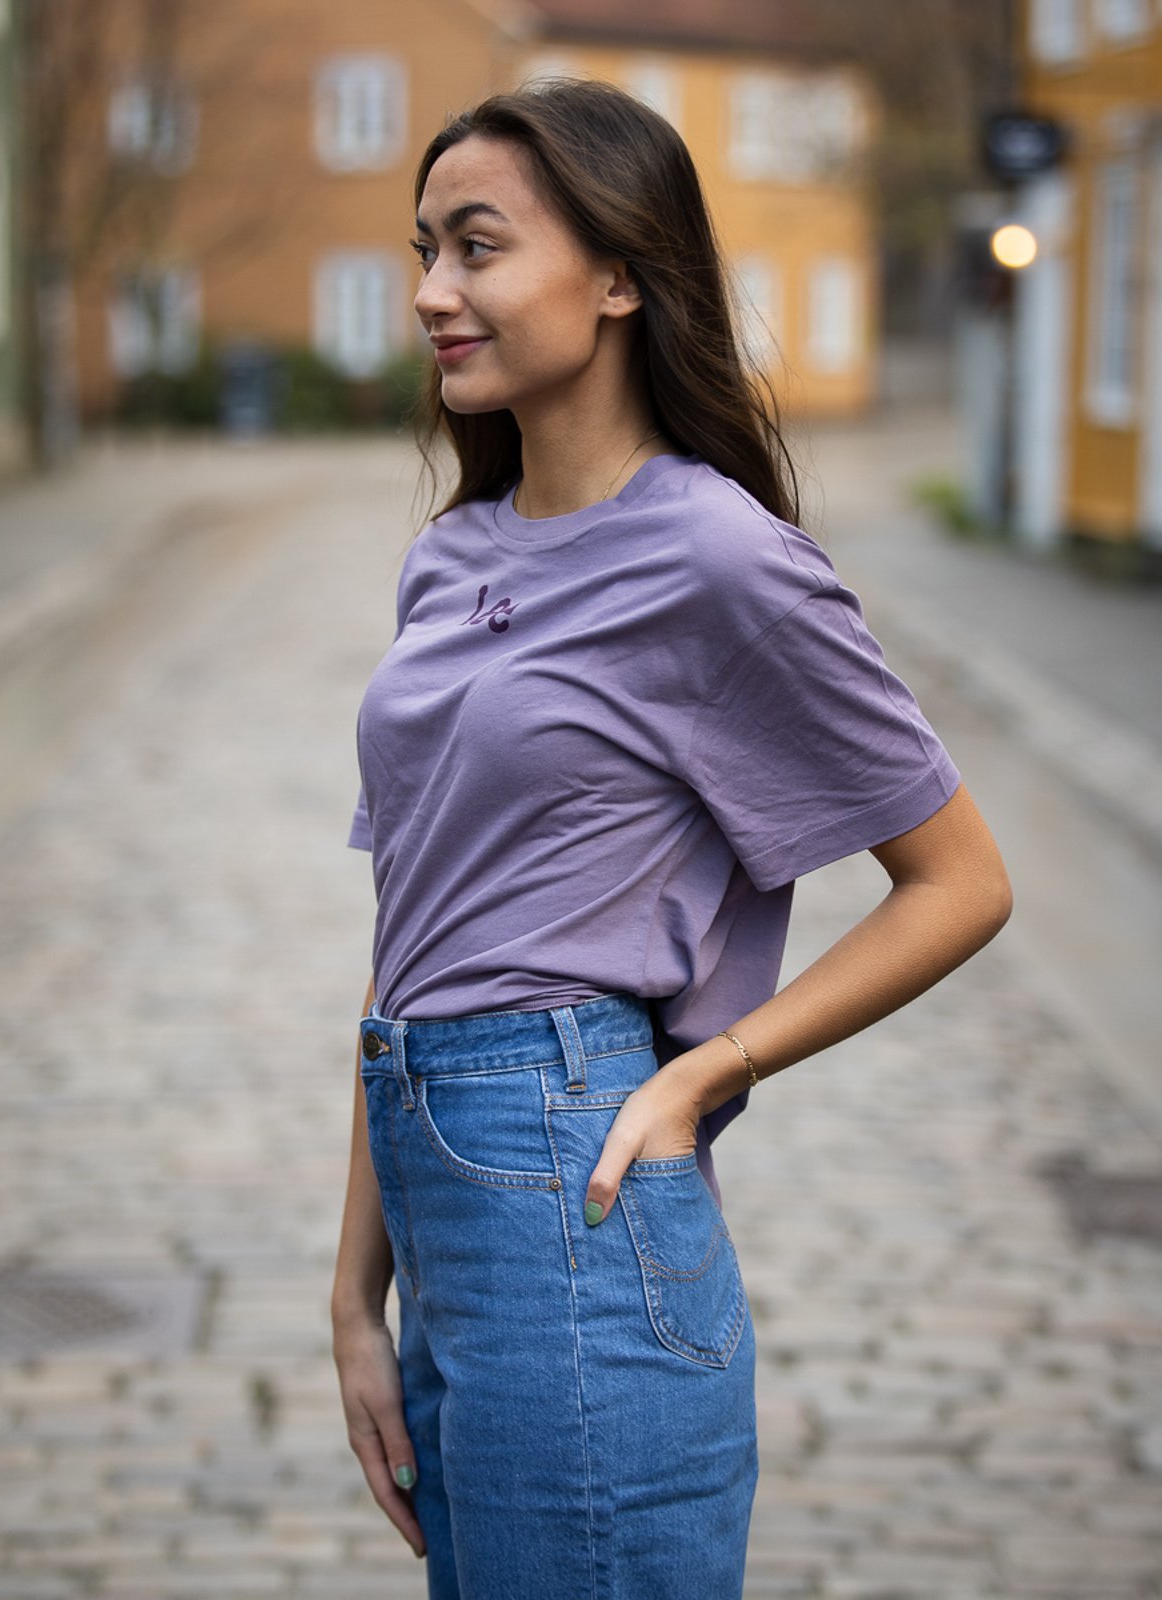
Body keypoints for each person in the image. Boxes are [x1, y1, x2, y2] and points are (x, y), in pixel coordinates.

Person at [331, 76, 1012, 1600]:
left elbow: (960, 882)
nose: (434, 292)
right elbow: (414, 934)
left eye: (479, 247)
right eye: (425, 248)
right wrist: (352, 1299)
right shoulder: (450, 561)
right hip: (439, 1195)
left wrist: (715, 1067)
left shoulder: (718, 557)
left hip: (577, 1176)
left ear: (624, 273)